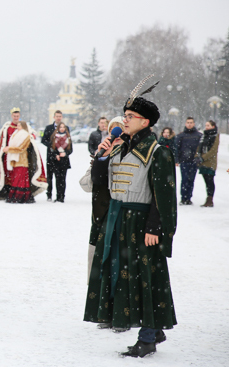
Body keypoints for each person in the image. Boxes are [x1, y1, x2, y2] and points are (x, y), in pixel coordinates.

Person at [84, 78, 177, 358]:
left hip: (140, 222)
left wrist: (155, 227)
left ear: (145, 122)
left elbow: (164, 196)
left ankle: (148, 337)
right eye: (125, 115)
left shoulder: (157, 152)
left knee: (144, 277)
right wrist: (102, 153)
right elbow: (99, 181)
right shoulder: (119, 146)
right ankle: (154, 329)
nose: (125, 120)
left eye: (130, 117)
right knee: (123, 278)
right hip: (118, 219)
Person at [80, 116, 127, 332]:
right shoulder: (103, 153)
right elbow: (88, 184)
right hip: (100, 215)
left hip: (122, 215)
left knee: (120, 265)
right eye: (111, 132)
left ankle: (121, 313)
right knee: (100, 265)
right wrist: (100, 158)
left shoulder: (129, 153)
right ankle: (104, 311)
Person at [0, 107, 47, 200]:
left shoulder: (25, 129)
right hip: (9, 156)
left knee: (19, 176)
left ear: (19, 116)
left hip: (21, 156)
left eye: (17, 116)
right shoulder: (8, 127)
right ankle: (8, 192)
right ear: (12, 116)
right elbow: (4, 142)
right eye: (14, 116)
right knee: (9, 175)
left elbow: (28, 142)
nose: (16, 117)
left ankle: (19, 194)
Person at [2, 121, 34, 203]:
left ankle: (20, 197)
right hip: (15, 160)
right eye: (17, 125)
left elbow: (21, 149)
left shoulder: (26, 136)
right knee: (16, 178)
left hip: (22, 160)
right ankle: (16, 197)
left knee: (20, 179)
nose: (17, 127)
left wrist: (9, 149)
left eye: (19, 125)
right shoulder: (15, 134)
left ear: (23, 126)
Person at [174, 117, 202, 205]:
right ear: (185, 124)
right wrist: (176, 159)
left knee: (191, 180)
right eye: (188, 122)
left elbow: (201, 148)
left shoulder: (198, 135)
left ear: (194, 124)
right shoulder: (181, 135)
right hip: (184, 161)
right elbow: (176, 148)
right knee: (184, 179)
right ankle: (183, 198)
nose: (189, 124)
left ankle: (189, 198)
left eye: (191, 122)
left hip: (194, 161)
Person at [195, 120, 220, 208]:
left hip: (210, 162)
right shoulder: (204, 135)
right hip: (203, 162)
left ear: (213, 126)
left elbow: (213, 150)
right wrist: (197, 156)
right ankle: (208, 198)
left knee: (210, 180)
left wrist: (204, 157)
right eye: (206, 125)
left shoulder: (215, 135)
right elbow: (199, 146)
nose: (206, 127)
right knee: (206, 181)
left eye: (208, 125)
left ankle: (210, 199)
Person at [41, 110, 63, 201]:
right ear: (54, 117)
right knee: (49, 177)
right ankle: (49, 195)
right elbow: (43, 140)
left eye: (60, 116)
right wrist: (51, 145)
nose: (58, 118)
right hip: (50, 156)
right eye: (57, 116)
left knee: (60, 178)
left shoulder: (65, 128)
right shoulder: (48, 128)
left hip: (61, 157)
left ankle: (60, 196)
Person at [49, 122, 72, 203]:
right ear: (58, 128)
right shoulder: (54, 137)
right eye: (60, 127)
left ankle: (62, 196)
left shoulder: (68, 138)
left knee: (63, 179)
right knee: (57, 179)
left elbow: (70, 150)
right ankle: (58, 196)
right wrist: (56, 155)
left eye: (63, 127)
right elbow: (51, 149)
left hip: (64, 161)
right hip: (56, 161)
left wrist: (65, 153)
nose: (62, 129)